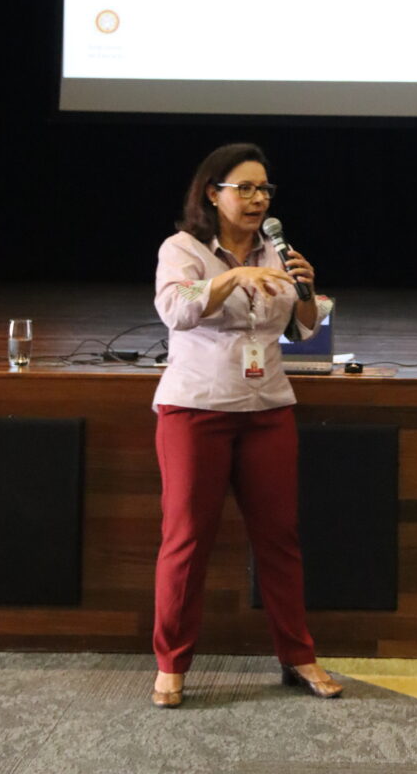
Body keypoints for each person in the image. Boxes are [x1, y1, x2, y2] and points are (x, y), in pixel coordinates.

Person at [151, 142, 343, 707]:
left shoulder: (279, 252)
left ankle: (298, 655)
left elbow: (302, 330)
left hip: (267, 409)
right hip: (197, 408)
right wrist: (232, 278)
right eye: (246, 188)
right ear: (214, 193)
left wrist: (305, 291)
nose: (259, 199)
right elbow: (176, 307)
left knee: (280, 539)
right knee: (187, 539)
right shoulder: (183, 249)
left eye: (265, 190)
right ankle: (171, 664)